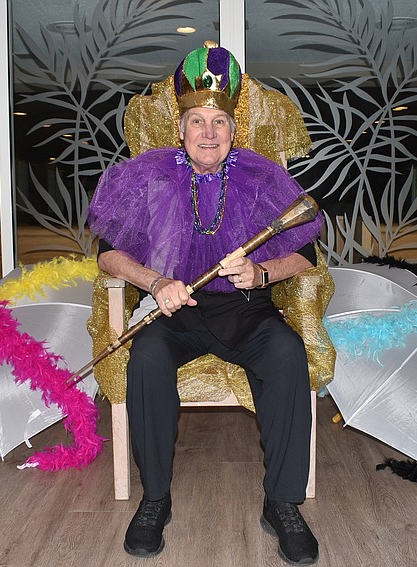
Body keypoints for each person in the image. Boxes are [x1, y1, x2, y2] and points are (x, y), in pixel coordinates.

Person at [87, 45, 324, 565]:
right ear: (181, 128)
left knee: (287, 355)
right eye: (198, 121)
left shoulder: (262, 178)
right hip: (176, 310)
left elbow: (306, 253)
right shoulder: (145, 176)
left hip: (245, 309)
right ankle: (155, 500)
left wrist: (262, 272)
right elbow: (107, 253)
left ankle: (282, 503)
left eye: (219, 121)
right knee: (146, 358)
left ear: (233, 130)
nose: (209, 132)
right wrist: (153, 283)